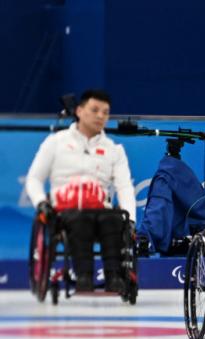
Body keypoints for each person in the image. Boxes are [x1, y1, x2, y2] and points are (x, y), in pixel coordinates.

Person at [25, 89, 136, 293]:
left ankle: (115, 277)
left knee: (114, 218)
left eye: (105, 112)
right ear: (79, 111)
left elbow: (124, 186)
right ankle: (83, 277)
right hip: (66, 212)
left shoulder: (114, 149)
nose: (100, 116)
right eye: (95, 110)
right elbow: (34, 179)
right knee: (80, 219)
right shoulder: (55, 142)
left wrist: (131, 221)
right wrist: (41, 202)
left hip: (101, 211)